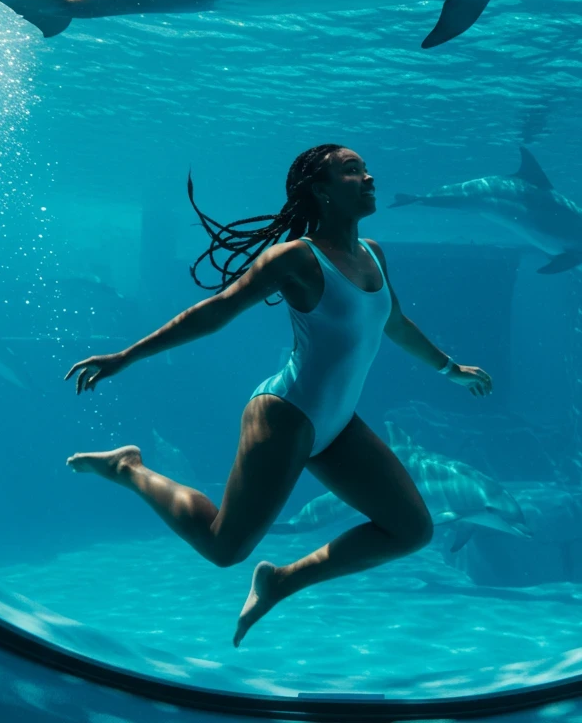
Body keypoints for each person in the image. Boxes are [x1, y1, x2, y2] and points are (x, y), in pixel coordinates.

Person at [64, 144, 493, 646]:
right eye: (352, 171)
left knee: (412, 529)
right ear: (320, 191)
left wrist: (451, 369)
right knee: (225, 547)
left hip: (336, 424)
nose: (369, 176)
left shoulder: (375, 253)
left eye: (365, 168)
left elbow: (394, 322)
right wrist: (125, 357)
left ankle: (281, 581)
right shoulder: (295, 259)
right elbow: (214, 312)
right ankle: (127, 469)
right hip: (285, 416)